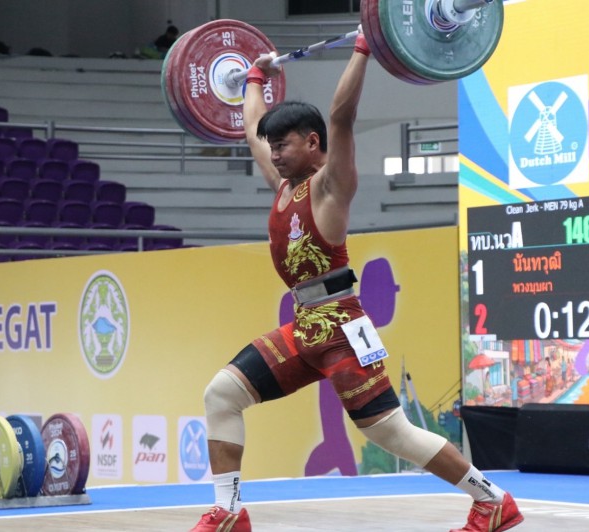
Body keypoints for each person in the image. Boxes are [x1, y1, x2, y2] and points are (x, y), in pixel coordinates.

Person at [190, 29, 523, 532]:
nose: (274, 154)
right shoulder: (284, 186)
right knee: (221, 394)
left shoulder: (331, 186)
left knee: (390, 432)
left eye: (283, 146)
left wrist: (364, 48)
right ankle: (230, 512)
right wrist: (254, 76)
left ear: (313, 143)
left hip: (341, 328)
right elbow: (253, 130)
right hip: (305, 327)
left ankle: (492, 500)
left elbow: (342, 116)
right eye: (272, 147)